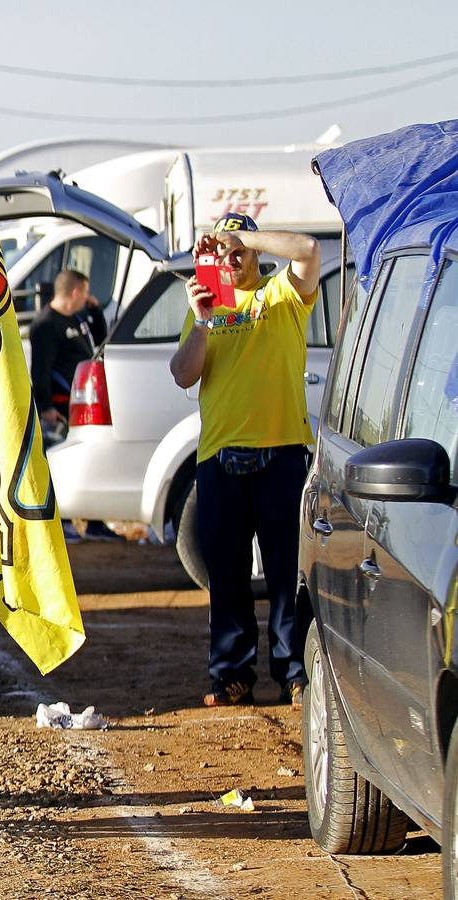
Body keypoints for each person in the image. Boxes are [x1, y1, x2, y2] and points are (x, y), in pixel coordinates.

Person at [168, 213, 320, 709]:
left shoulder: (281, 295)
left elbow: (307, 248)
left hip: (281, 453)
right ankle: (231, 675)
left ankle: (294, 673)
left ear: (255, 253)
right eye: (224, 255)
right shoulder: (208, 307)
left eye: (240, 254)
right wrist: (203, 321)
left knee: (285, 573)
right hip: (219, 459)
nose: (232, 262)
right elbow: (182, 375)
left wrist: (242, 236)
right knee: (227, 574)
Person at [28, 269, 123, 544]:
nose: (88, 297)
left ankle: (94, 521)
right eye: (85, 292)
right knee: (59, 465)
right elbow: (40, 370)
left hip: (83, 405)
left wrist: (95, 313)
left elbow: (100, 342)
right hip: (60, 407)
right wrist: (45, 407)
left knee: (93, 460)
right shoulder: (46, 324)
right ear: (74, 292)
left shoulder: (77, 316)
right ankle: (65, 522)